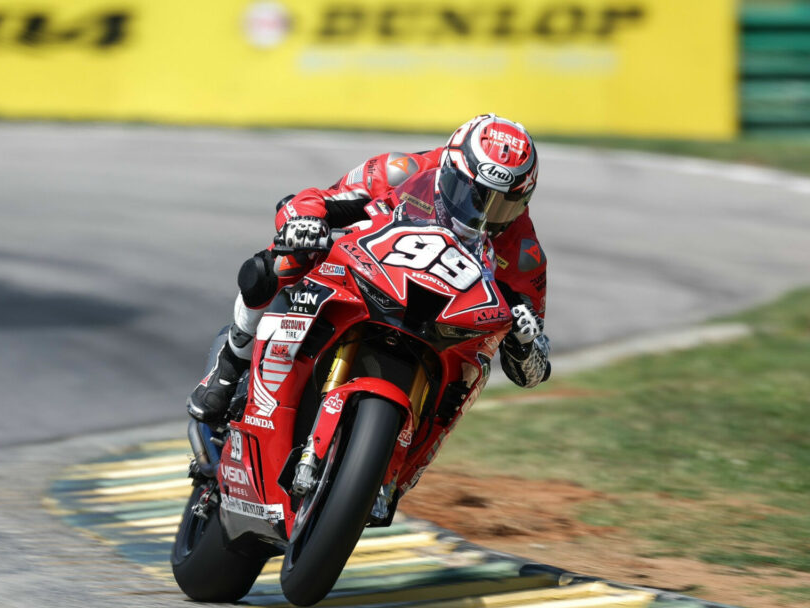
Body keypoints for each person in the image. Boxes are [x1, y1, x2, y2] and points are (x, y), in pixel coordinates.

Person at [188, 113, 551, 423]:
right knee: (283, 258)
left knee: (476, 367)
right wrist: (306, 222)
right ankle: (231, 363)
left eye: (503, 204)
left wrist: (523, 342)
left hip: (441, 330)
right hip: (369, 277)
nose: (485, 214)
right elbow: (316, 200)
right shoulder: (403, 170)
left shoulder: (524, 251)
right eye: (473, 194)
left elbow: (534, 367)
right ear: (449, 169)